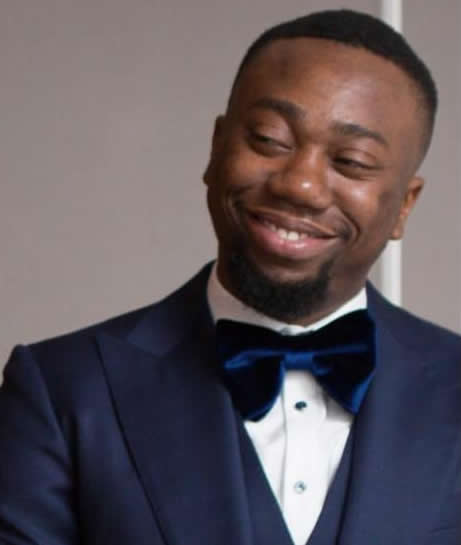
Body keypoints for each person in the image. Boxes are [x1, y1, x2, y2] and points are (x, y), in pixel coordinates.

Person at [0, 8, 459, 545]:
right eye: (269, 139)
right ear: (216, 148)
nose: (300, 185)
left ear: (404, 205)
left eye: (351, 161)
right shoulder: (62, 390)